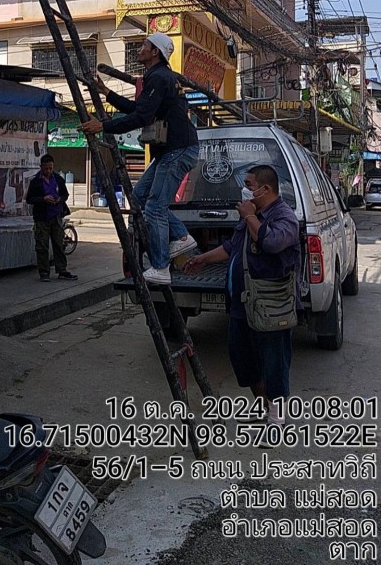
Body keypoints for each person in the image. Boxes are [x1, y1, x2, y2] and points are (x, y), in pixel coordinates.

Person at [184, 165, 300, 439]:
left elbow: (271, 243)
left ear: (266, 189)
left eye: (249, 184)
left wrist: (250, 217)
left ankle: (276, 414)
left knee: (274, 358)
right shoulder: (251, 215)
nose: (245, 189)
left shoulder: (284, 217)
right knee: (242, 358)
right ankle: (262, 403)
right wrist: (202, 258)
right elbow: (232, 247)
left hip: (270, 303)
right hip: (241, 302)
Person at [79, 32, 199, 285]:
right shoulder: (159, 77)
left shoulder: (158, 77)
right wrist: (108, 93)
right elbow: (140, 110)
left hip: (176, 150)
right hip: (173, 150)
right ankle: (181, 236)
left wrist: (102, 126)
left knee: (155, 207)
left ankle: (161, 267)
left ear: (155, 52)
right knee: (139, 197)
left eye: (145, 45)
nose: (140, 49)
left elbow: (141, 118)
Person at [26, 154, 77, 281]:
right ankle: (44, 272)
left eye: (50, 168)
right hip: (42, 217)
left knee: (59, 244)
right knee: (42, 246)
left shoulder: (58, 179)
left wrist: (59, 199)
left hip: (56, 216)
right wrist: (43, 199)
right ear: (41, 167)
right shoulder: (35, 181)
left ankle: (62, 270)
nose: (48, 171)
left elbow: (65, 194)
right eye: (45, 169)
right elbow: (29, 199)